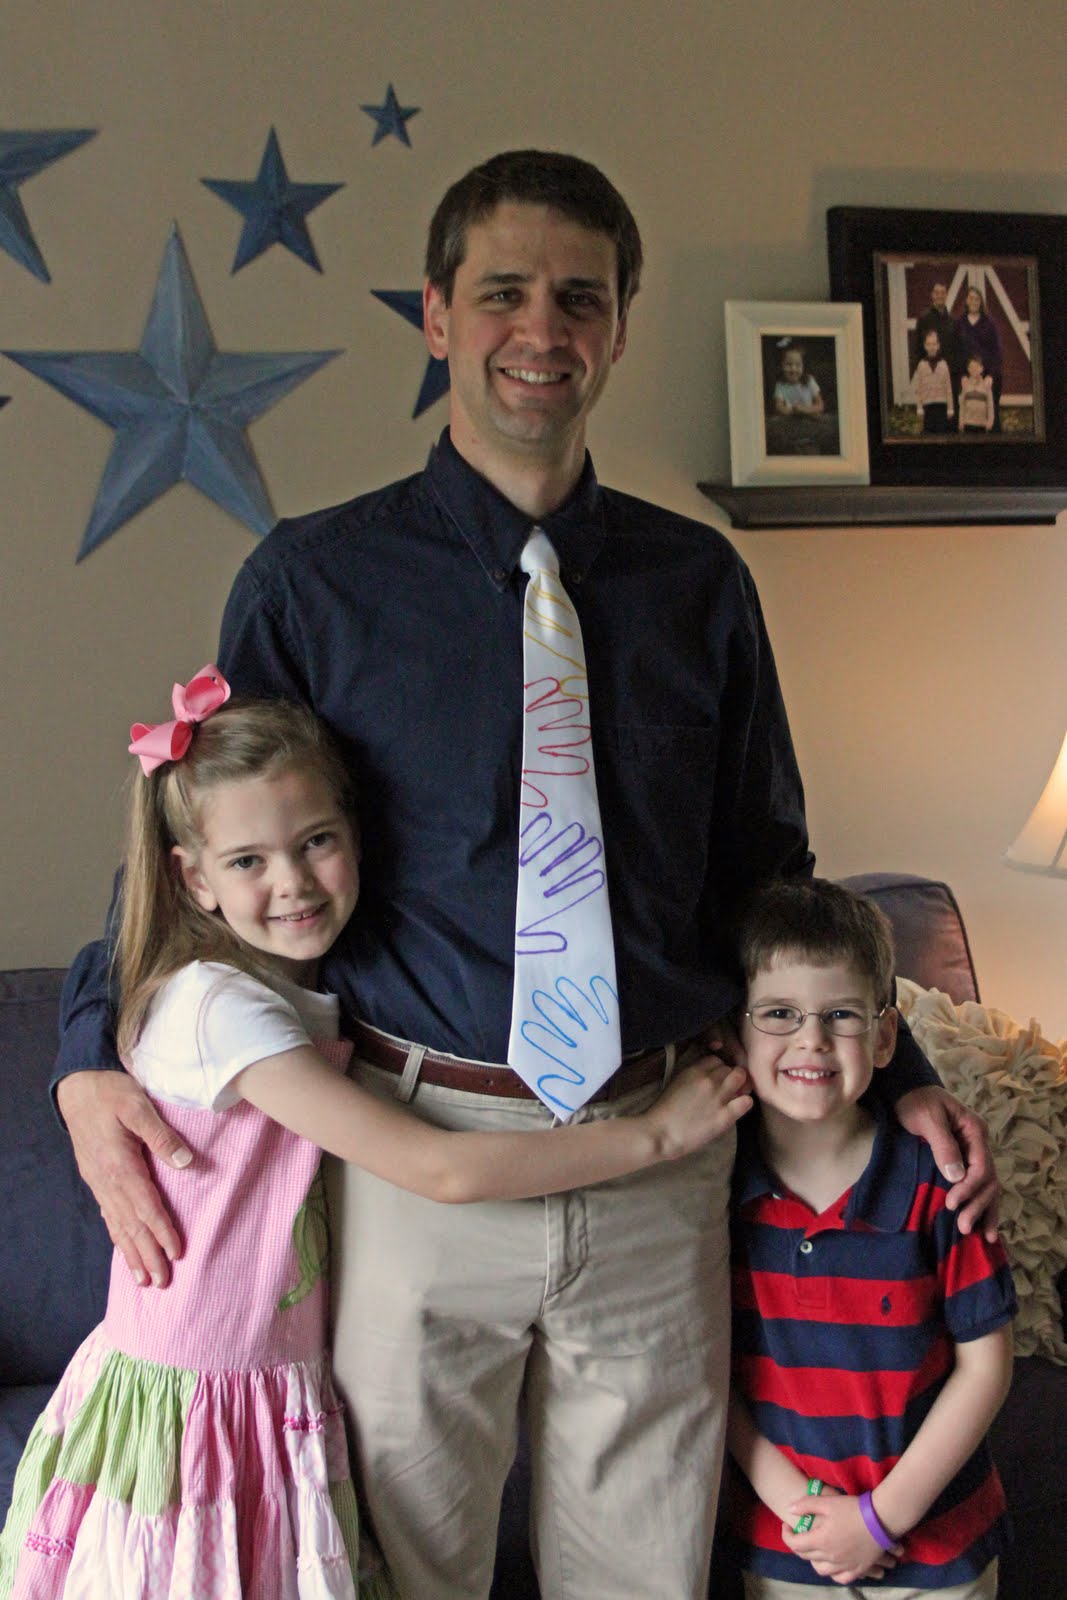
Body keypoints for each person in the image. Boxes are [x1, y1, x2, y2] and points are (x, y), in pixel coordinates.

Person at [53, 151, 997, 1600]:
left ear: (617, 327)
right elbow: (207, 845)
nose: (539, 330)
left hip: (661, 1149)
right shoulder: (315, 581)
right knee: (394, 1570)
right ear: (437, 315)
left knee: (641, 1574)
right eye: (501, 293)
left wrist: (900, 1068)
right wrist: (81, 1054)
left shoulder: (699, 586)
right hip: (415, 1154)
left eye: (578, 298)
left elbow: (771, 874)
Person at [1, 673, 751, 1599]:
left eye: (316, 841)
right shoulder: (222, 1012)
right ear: (193, 878)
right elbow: (438, 1167)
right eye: (248, 861)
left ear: (358, 834)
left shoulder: (287, 990)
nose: (291, 883)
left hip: (262, 1382)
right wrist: (654, 1138)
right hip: (204, 1400)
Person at [727, 878, 1015, 1598]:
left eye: (841, 1016)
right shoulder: (714, 1194)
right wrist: (803, 1512)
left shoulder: (940, 1181)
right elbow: (707, 1372)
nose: (811, 1040)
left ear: (885, 1038)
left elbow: (985, 1368)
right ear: (736, 1032)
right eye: (779, 1013)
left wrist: (879, 1520)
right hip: (789, 1545)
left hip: (938, 1548)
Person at [766, 342, 839, 456]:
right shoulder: (780, 385)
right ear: (782, 365)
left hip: (810, 428)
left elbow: (820, 406)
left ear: (803, 366)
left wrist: (804, 410)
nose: (793, 369)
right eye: (788, 364)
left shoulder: (809, 381)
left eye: (798, 365)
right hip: (791, 429)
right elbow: (779, 406)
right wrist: (791, 411)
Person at [957, 287, 1003, 431]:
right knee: (969, 416)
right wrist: (963, 375)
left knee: (991, 415)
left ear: (981, 302)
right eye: (971, 298)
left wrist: (990, 376)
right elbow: (956, 351)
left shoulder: (989, 323)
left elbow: (997, 351)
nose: (974, 301)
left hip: (987, 376)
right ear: (966, 301)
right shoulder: (960, 323)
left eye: (977, 299)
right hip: (968, 377)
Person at [915, 281, 962, 396]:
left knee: (951, 406)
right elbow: (918, 348)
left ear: (946, 295)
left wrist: (958, 376)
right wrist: (921, 371)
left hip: (951, 376)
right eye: (937, 293)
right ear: (932, 295)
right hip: (930, 376)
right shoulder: (924, 318)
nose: (940, 296)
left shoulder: (953, 321)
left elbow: (958, 350)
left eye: (942, 292)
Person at [911, 328, 955, 434]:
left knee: (941, 433)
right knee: (928, 433)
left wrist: (950, 408)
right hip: (927, 406)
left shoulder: (944, 364)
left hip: (942, 405)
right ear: (925, 346)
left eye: (934, 344)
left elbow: (948, 388)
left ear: (938, 345)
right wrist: (919, 407)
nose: (932, 347)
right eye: (929, 344)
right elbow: (919, 388)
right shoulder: (921, 365)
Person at [959, 353, 996, 433]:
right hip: (968, 423)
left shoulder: (986, 385)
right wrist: (961, 421)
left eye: (976, 367)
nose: (974, 369)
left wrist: (990, 421)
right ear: (968, 369)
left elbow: (990, 405)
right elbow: (962, 405)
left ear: (981, 369)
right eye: (971, 367)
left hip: (982, 424)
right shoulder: (965, 385)